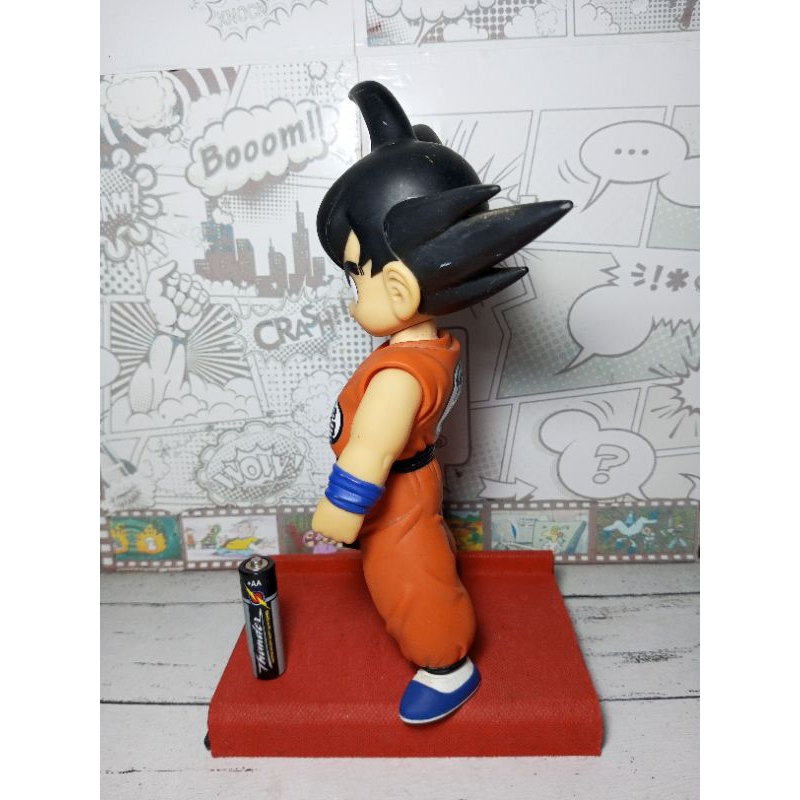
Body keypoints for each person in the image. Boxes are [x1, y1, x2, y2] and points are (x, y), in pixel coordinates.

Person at [312, 81, 572, 724]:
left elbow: (372, 448)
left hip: (392, 492)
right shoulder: (428, 347)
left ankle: (446, 663)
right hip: (409, 486)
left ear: (400, 287)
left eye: (357, 274)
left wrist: (342, 509)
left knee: (410, 578)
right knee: (414, 559)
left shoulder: (402, 374)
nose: (353, 293)